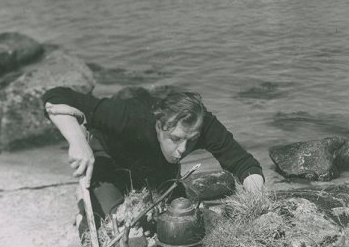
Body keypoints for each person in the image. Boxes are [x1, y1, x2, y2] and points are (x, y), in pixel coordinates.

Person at [42, 87, 265, 226]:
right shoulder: (129, 115)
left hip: (152, 163)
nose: (183, 150)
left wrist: (256, 203)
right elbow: (55, 96)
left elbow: (245, 164)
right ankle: (84, 200)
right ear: (159, 125)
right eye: (176, 139)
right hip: (108, 158)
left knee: (175, 218)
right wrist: (78, 143)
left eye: (192, 140)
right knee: (113, 226)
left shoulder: (203, 125)